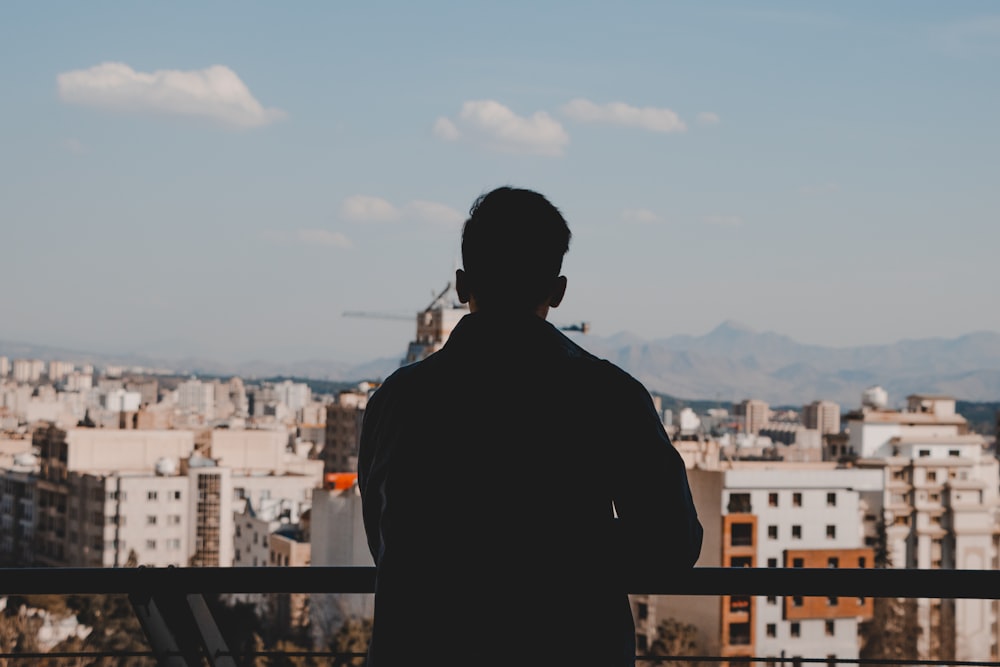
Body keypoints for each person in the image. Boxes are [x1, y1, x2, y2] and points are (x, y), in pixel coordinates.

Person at [357, 186, 703, 667]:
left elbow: (384, 537)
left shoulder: (397, 400)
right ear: (558, 292)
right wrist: (568, 549)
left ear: (460, 285)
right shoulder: (610, 397)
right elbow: (672, 544)